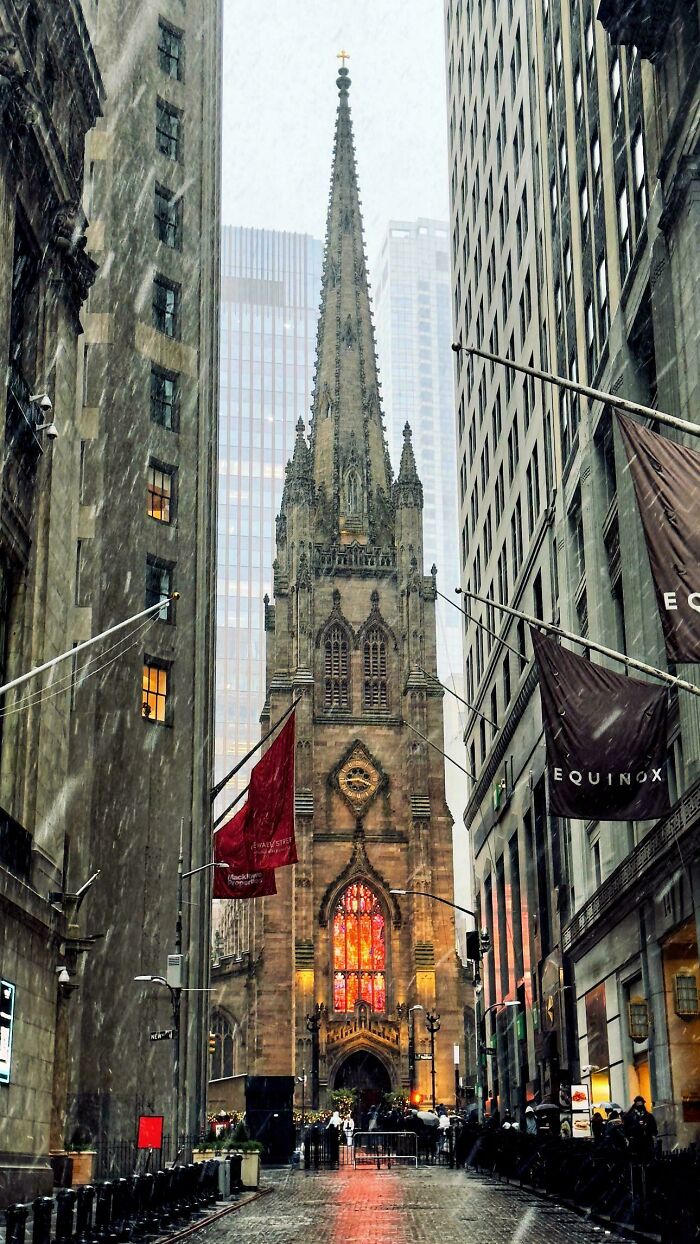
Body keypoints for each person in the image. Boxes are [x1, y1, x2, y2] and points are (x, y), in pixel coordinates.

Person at [624, 1095, 658, 1161]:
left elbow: (654, 1129)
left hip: (647, 1143)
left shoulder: (648, 1116)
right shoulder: (629, 1117)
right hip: (635, 1144)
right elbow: (627, 1130)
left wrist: (652, 1135)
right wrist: (637, 1126)